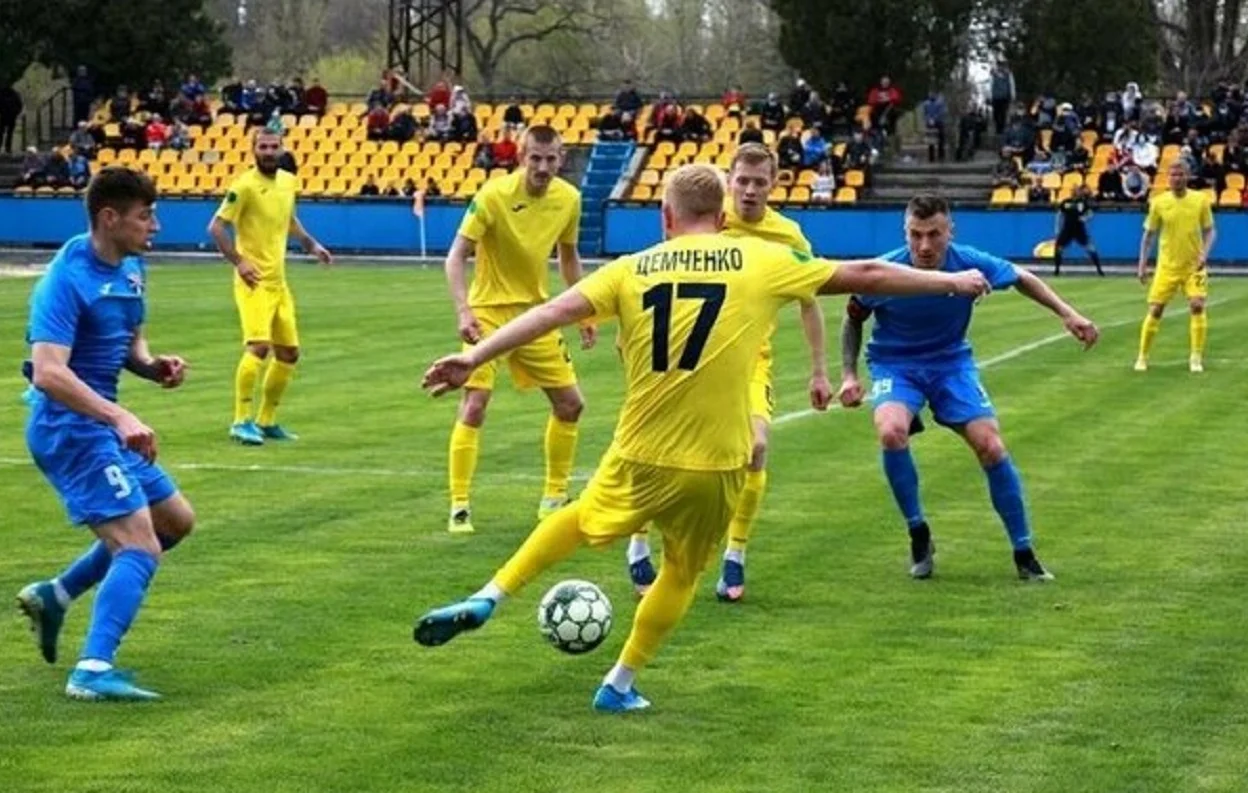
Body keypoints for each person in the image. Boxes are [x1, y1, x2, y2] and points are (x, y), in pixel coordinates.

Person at [411, 164, 992, 713]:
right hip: (715, 461)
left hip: (638, 450)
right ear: (720, 217)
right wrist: (951, 280)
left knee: (581, 517)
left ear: (665, 216)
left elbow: (551, 312)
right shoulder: (761, 259)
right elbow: (865, 275)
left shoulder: (631, 267)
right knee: (682, 573)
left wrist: (475, 354)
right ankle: (619, 683)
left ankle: (492, 593)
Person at [837, 194, 1099, 582]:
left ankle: (1023, 551)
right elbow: (853, 317)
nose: (925, 246)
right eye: (916, 235)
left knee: (991, 445)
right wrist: (849, 374)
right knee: (891, 432)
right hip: (896, 363)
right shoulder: (887, 270)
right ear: (904, 232)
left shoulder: (970, 262)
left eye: (934, 235)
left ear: (950, 232)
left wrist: (1068, 313)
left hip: (950, 363)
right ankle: (918, 532)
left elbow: (1022, 276)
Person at [14, 166, 195, 701]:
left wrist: (153, 365)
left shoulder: (132, 267)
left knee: (174, 522)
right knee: (140, 545)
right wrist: (118, 417)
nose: (155, 226)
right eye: (145, 216)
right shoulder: (65, 279)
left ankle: (57, 594)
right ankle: (92, 669)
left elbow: (129, 345)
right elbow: (48, 371)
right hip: (67, 428)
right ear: (109, 218)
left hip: (102, 424)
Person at [625, 143, 833, 603]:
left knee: (756, 449)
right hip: (687, 355)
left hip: (749, 360)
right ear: (729, 180)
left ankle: (735, 553)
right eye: (742, 180)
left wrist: (819, 370)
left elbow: (809, 301)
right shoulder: (705, 218)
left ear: (774, 185)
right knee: (657, 446)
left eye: (760, 182)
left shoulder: (788, 236)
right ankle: (638, 537)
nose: (750, 190)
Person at [442, 125, 591, 535]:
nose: (543, 167)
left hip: (536, 316)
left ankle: (553, 498)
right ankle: (459, 506)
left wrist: (583, 311)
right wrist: (463, 311)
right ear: (521, 156)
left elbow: (569, 256)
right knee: (476, 403)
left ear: (561, 159)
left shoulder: (569, 199)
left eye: (551, 159)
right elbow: (455, 258)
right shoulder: (493, 195)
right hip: (488, 313)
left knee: (571, 404)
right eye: (535, 158)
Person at [208, 130, 333, 446]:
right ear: (253, 150)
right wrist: (239, 261)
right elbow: (217, 227)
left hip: (279, 282)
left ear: (281, 150)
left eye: (273, 147)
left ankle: (266, 420)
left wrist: (312, 245)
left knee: (289, 353)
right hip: (254, 282)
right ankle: (240, 420)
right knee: (259, 347)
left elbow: (289, 221)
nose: (268, 152)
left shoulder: (289, 182)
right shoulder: (244, 186)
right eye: (262, 147)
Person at [1135, 160, 1216, 373]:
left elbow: (1209, 231)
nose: (1176, 178)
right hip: (1167, 266)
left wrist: (1204, 255)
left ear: (1187, 177)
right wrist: (1142, 264)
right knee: (1155, 309)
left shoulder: (1200, 200)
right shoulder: (1159, 203)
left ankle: (1196, 357)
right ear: (1167, 178)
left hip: (1193, 266)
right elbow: (1149, 235)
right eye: (1172, 175)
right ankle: (1142, 356)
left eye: (1180, 174)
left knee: (1197, 304)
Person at [1052, 185, 1104, 276]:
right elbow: (1059, 214)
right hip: (1067, 229)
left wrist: (1085, 218)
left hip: (1079, 229)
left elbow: (1090, 213)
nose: (1075, 193)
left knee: (1090, 248)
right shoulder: (1066, 202)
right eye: (1073, 191)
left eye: (1076, 191)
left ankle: (1099, 269)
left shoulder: (1082, 203)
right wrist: (1056, 227)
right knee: (1058, 248)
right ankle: (1057, 270)